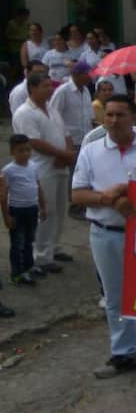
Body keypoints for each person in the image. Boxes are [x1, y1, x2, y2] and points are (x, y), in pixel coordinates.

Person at [71, 94, 136, 382]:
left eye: (120, 115)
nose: (113, 121)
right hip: (105, 234)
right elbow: (77, 194)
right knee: (114, 297)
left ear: (135, 116)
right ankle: (123, 353)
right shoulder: (91, 150)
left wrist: (126, 188)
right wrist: (109, 199)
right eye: (109, 115)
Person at [12, 73, 74, 274]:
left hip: (60, 165)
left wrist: (68, 153)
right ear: (32, 88)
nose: (50, 89)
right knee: (45, 211)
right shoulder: (24, 112)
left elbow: (65, 134)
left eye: (51, 85)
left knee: (60, 208)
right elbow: (33, 141)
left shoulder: (52, 109)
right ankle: (40, 255)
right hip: (41, 168)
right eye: (45, 86)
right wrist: (61, 154)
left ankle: (53, 248)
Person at [1, 134, 47, 286]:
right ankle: (17, 273)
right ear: (12, 152)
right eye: (21, 151)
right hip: (17, 211)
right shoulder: (8, 171)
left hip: (32, 209)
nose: (26, 154)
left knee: (29, 240)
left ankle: (29, 267)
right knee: (18, 243)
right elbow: (3, 195)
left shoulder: (33, 166)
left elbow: (37, 186)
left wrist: (42, 206)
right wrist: (6, 216)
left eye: (28, 150)